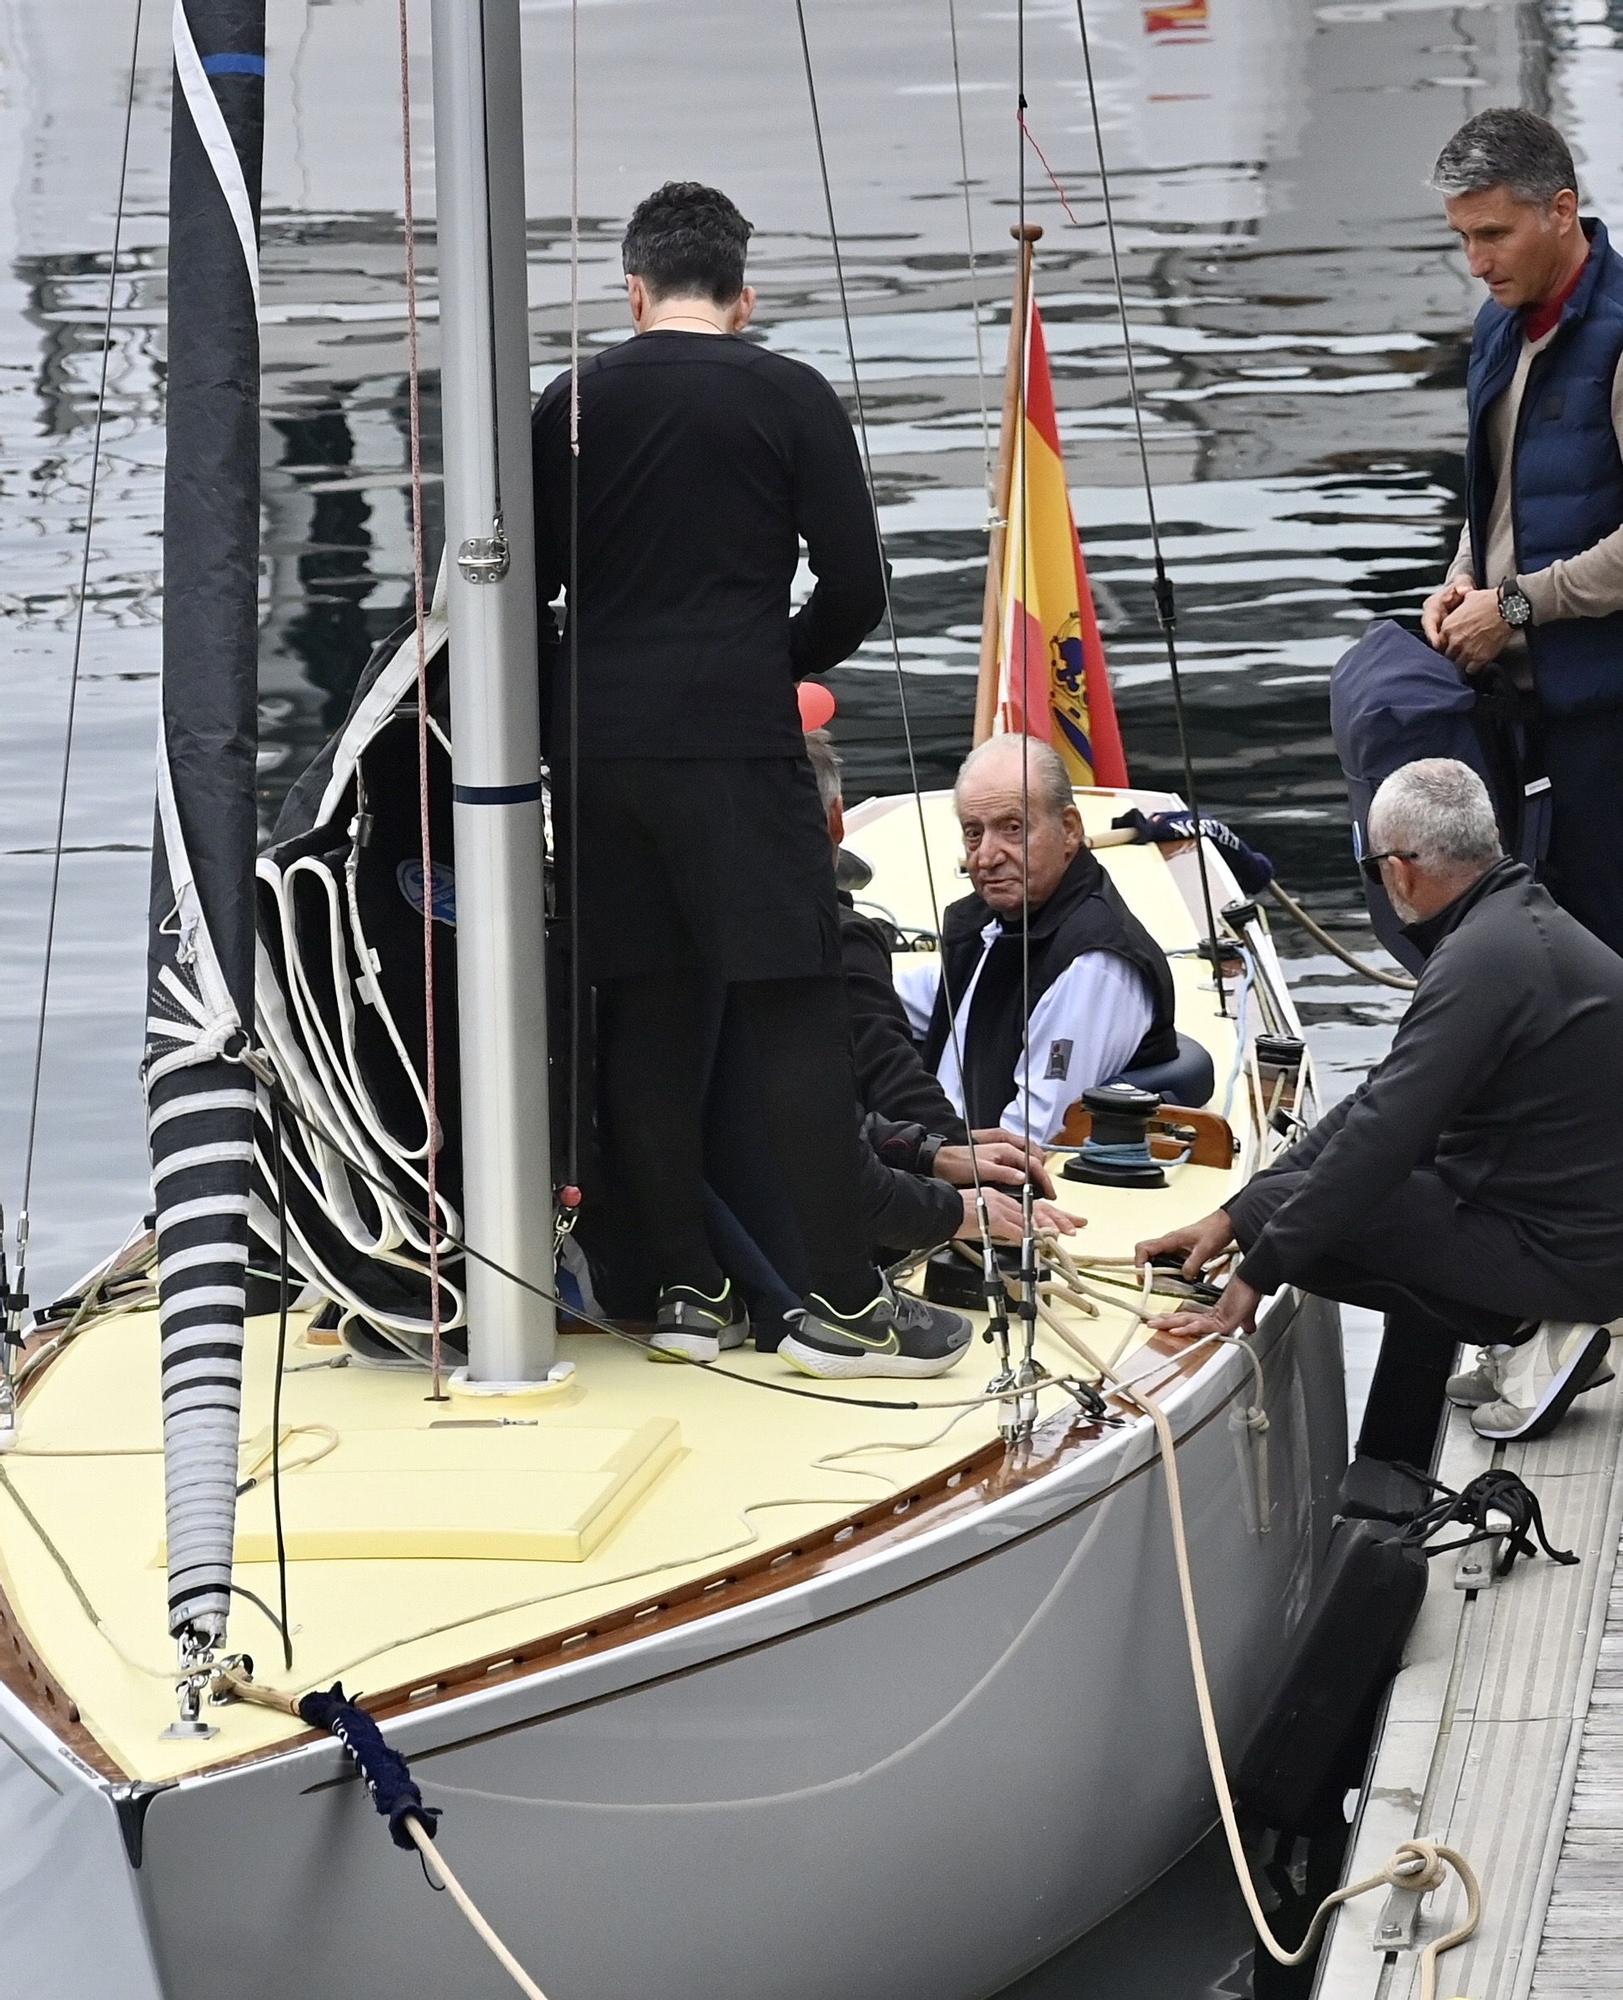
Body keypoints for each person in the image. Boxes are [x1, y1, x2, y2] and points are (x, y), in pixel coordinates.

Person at [531, 180, 971, 1380]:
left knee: (651, 1003)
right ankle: (841, 1302)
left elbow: (521, 586)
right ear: (743, 292)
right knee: (789, 1006)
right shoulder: (787, 394)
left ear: (634, 290)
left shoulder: (569, 401)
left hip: (596, 752)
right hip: (732, 742)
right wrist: (762, 660)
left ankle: (684, 1284)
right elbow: (856, 589)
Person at [1136, 759, 1623, 1452]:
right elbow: (1377, 1100)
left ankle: (1533, 1330)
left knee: (1297, 1226)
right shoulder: (1512, 927)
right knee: (1276, 1207)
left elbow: (1380, 1140)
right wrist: (1233, 1213)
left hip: (1576, 1255)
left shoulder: (1480, 961)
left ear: (1399, 868)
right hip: (1576, 1228)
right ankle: (1531, 1328)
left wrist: (1248, 1279)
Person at [1421, 107, 1623, 956]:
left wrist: (1511, 606)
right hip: (1520, 708)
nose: (1476, 263)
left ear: (1561, 209)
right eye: (1463, 237)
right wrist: (1461, 578)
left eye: (1494, 234)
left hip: (1607, 717)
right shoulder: (1497, 326)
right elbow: (1494, 490)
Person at [890, 734, 1179, 1149]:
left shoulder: (1091, 964)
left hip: (996, 1191)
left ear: (1069, 830)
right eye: (974, 833)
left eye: (1012, 828)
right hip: (947, 1153)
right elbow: (914, 998)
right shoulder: (990, 924)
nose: (987, 856)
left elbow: (1026, 1139)